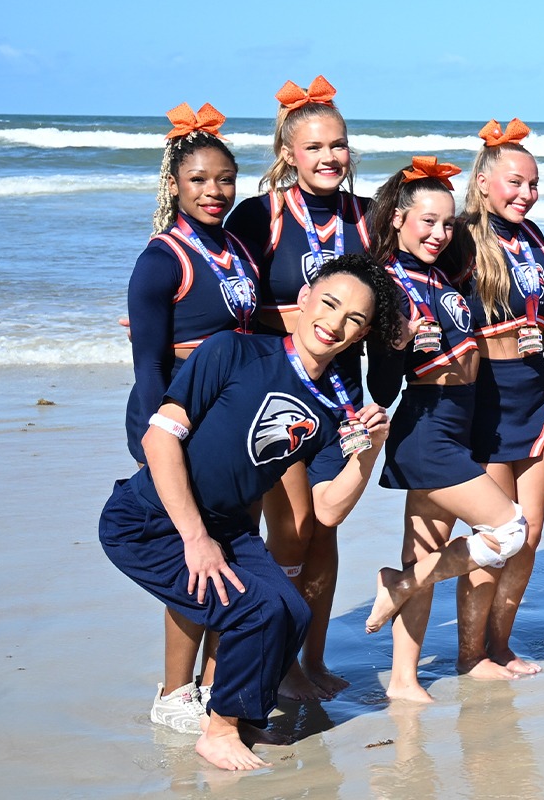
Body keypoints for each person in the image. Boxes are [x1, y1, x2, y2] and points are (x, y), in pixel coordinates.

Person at [99, 255, 398, 770]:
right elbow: (159, 438)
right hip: (149, 519)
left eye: (354, 318)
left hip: (230, 528)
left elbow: (327, 508)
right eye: (329, 303)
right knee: (254, 611)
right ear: (303, 302)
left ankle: (242, 716)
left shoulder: (335, 405)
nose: (335, 322)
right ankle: (218, 729)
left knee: (293, 612)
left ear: (363, 333)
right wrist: (194, 538)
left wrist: (368, 454)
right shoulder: (233, 351)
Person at [362, 157, 542, 700]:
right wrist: (396, 343)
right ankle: (400, 584)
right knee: (511, 530)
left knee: (426, 550)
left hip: (461, 425)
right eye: (427, 222)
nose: (440, 234)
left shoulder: (440, 274)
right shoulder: (384, 285)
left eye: (446, 223)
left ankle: (402, 680)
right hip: (426, 429)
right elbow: (382, 388)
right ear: (396, 219)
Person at [223, 75, 372, 700]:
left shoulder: (366, 216)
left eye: (337, 145)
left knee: (324, 533)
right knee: (281, 532)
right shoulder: (259, 216)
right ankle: (269, 659)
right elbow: (233, 304)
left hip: (342, 396)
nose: (329, 157)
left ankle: (310, 659)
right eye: (314, 148)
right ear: (288, 154)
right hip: (277, 399)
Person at [124, 101, 258, 733]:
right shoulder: (160, 260)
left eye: (224, 180)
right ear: (174, 184)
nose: (213, 191)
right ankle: (175, 692)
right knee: (193, 555)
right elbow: (148, 364)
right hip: (179, 422)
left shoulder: (236, 248)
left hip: (233, 422)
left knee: (228, 546)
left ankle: (212, 684)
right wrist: (159, 439)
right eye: (199, 180)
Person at [457, 117, 544, 678]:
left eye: (534, 183)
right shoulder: (460, 239)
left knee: (532, 533)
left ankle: (500, 643)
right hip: (488, 404)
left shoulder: (535, 237)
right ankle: (470, 653)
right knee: (497, 537)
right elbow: (437, 312)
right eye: (515, 182)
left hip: (534, 397)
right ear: (483, 182)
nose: (527, 193)